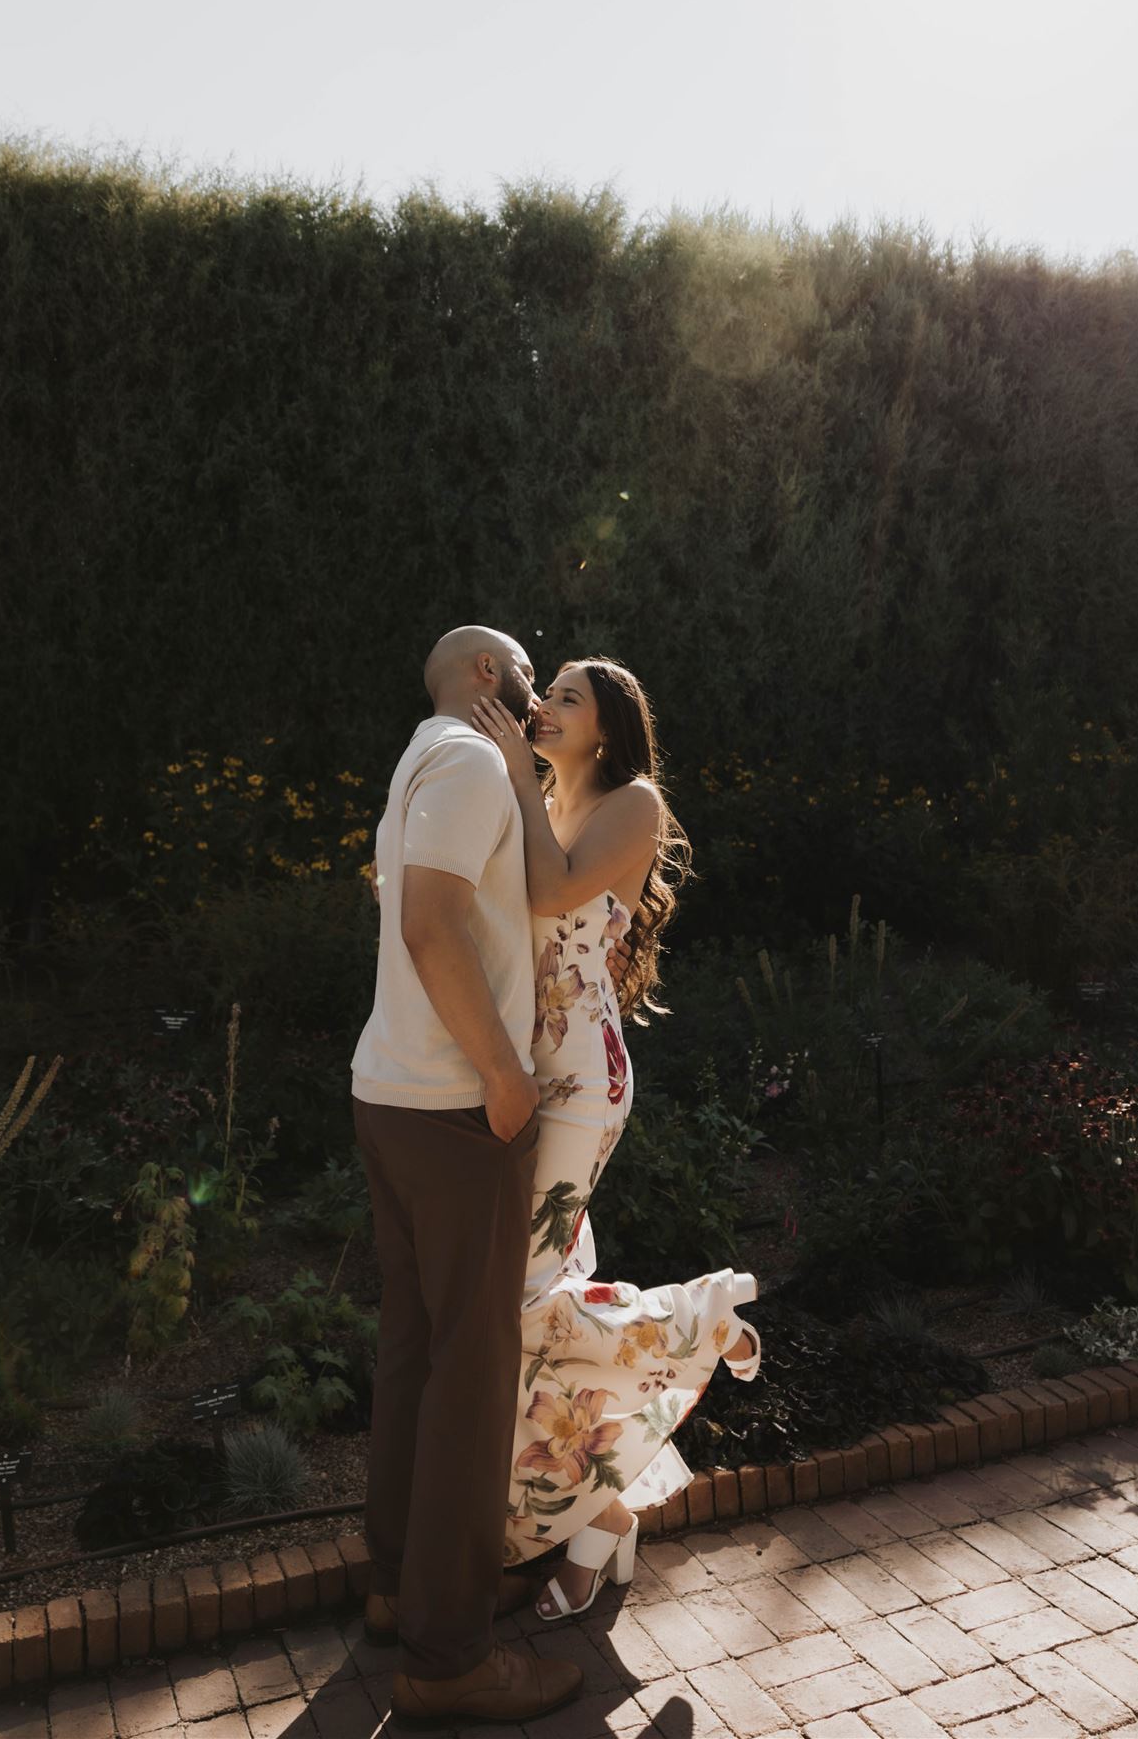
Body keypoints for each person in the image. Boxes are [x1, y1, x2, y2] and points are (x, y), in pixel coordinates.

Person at [351, 626, 627, 1726]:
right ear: (483, 676)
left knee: (415, 1350)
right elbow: (428, 922)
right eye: (526, 668)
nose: (534, 684)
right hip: (456, 1109)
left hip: (395, 1095)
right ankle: (449, 1653)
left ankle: (395, 1588)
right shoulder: (468, 759)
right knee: (472, 1378)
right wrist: (504, 1077)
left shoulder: (424, 755)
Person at [471, 656, 762, 1622]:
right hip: (526, 1074)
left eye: (563, 698)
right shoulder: (545, 805)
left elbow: (552, 898)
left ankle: (697, 1320)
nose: (541, 708)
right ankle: (606, 1526)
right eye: (540, 693)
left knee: (516, 1304)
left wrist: (514, 767)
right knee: (522, 1302)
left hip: (581, 1084)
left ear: (606, 726)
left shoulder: (629, 802)